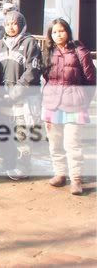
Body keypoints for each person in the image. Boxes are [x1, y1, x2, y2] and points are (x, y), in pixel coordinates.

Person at [41, 18, 96, 195]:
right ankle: (60, 174)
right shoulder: (48, 51)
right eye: (54, 32)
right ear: (50, 34)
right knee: (55, 143)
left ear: (68, 32)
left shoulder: (80, 51)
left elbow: (91, 80)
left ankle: (76, 179)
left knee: (72, 144)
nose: (58, 35)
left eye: (61, 31)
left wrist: (83, 101)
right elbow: (46, 77)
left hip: (74, 105)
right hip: (52, 104)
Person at [0, 11, 42, 180]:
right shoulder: (0, 45)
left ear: (21, 25)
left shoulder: (30, 42)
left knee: (22, 134)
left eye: (14, 23)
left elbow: (32, 71)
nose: (11, 27)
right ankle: (8, 164)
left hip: (23, 98)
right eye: (7, 24)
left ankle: (23, 166)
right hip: (4, 98)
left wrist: (16, 92)